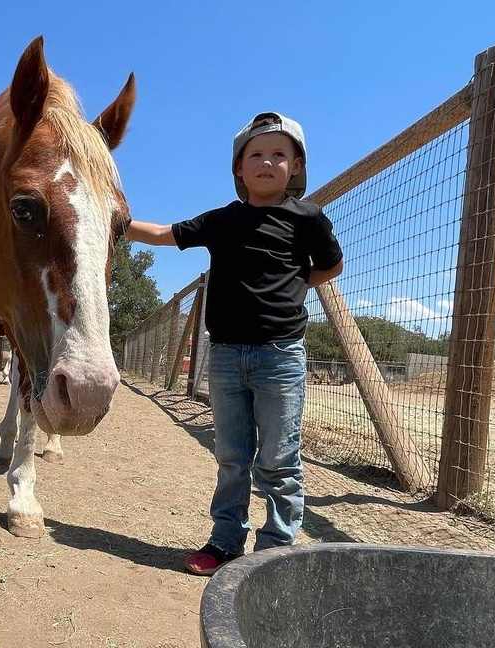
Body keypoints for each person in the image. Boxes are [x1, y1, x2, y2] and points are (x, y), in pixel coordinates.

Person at [126, 112, 344, 575]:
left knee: (280, 458)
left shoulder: (308, 218)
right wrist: (113, 222)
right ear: (239, 169)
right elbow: (166, 234)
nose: (268, 162)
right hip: (225, 356)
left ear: (296, 167)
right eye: (256, 154)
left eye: (280, 155)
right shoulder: (223, 220)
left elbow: (331, 266)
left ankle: (274, 552)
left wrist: (296, 283)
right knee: (231, 457)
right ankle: (225, 541)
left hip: (280, 355)